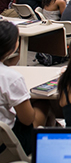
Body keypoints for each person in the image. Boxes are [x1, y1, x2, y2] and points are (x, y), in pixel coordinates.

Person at [0, 22, 51, 155]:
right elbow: (27, 119)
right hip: (6, 143)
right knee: (43, 103)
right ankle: (43, 150)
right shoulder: (11, 78)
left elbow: (8, 64)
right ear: (13, 45)